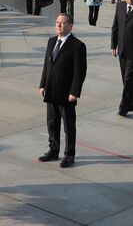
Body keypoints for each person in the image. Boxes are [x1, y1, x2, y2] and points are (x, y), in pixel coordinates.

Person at [38, 13, 86, 168]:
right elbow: (47, 65)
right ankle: (53, 150)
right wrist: (42, 84)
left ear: (70, 26)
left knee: (68, 126)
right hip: (51, 91)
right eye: (57, 22)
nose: (58, 25)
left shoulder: (77, 45)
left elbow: (80, 72)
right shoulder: (51, 41)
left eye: (63, 23)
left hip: (66, 94)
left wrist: (75, 92)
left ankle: (69, 155)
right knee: (52, 123)